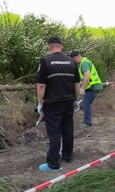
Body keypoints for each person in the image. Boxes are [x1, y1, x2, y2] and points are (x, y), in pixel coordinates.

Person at [36, 36, 81, 172]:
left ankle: (53, 164)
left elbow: (41, 85)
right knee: (67, 130)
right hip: (68, 101)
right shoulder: (71, 62)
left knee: (54, 132)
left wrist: (39, 103)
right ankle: (67, 156)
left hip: (52, 102)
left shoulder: (45, 62)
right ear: (61, 46)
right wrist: (76, 100)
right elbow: (77, 84)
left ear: (49, 46)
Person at [70, 50, 103, 128]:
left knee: (85, 103)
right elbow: (84, 78)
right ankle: (87, 121)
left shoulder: (84, 63)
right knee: (85, 103)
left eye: (74, 59)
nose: (74, 61)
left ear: (78, 56)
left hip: (93, 87)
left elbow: (87, 76)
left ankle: (87, 123)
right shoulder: (83, 62)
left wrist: (82, 88)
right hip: (92, 87)